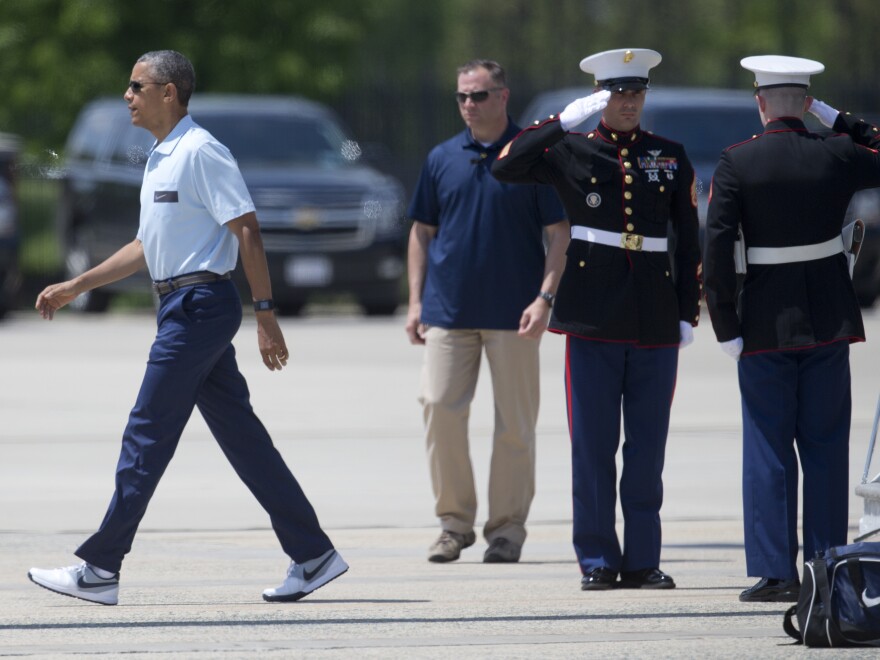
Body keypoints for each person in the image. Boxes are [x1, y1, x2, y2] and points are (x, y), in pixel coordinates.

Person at [27, 50, 347, 605]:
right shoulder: (158, 157)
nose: (127, 95)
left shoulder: (200, 151)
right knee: (244, 440)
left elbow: (247, 229)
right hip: (181, 305)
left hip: (201, 306)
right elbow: (145, 247)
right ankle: (313, 554)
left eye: (136, 86)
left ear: (168, 92)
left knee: (146, 433)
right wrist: (77, 285)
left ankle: (101, 568)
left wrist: (265, 316)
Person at [492, 49, 702, 591]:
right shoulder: (570, 150)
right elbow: (506, 165)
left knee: (647, 449)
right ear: (600, 97)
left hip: (654, 314)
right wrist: (562, 120)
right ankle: (597, 559)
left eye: (636, 94)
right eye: (617, 94)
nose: (628, 103)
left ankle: (643, 559)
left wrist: (686, 311)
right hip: (590, 315)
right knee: (592, 447)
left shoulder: (669, 155)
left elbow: (688, 238)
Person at [704, 55, 880, 603]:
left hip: (761, 323)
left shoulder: (738, 161)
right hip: (828, 317)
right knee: (826, 446)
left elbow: (716, 245)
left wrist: (725, 321)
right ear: (807, 103)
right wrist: (842, 119)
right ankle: (826, 565)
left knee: (767, 448)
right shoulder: (839, 151)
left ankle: (775, 571)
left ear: (760, 102)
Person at [406, 59, 568, 564]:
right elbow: (420, 231)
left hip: (515, 315)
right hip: (448, 311)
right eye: (462, 97)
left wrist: (544, 298)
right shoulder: (441, 158)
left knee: (515, 426)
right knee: (438, 408)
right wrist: (415, 301)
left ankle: (506, 531)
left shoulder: (533, 156)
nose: (469, 105)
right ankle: (454, 525)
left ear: (503, 96)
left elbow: (560, 234)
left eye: (479, 95)